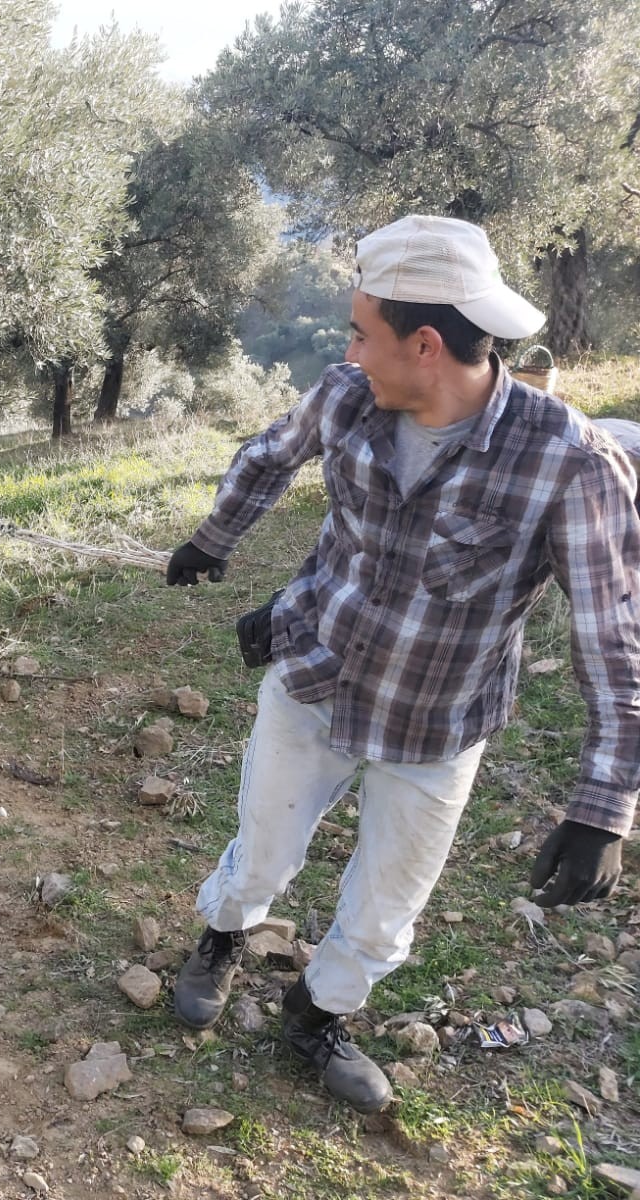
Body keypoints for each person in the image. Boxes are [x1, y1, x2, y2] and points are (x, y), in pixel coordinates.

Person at [163, 214, 639, 1114]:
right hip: (313, 681)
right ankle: (225, 937)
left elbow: (614, 639)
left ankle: (315, 1014)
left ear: (425, 343)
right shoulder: (348, 396)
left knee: (388, 908)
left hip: (438, 724)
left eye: (359, 331)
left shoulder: (570, 462)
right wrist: (210, 542)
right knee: (262, 852)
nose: (348, 350)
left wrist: (602, 810)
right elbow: (269, 458)